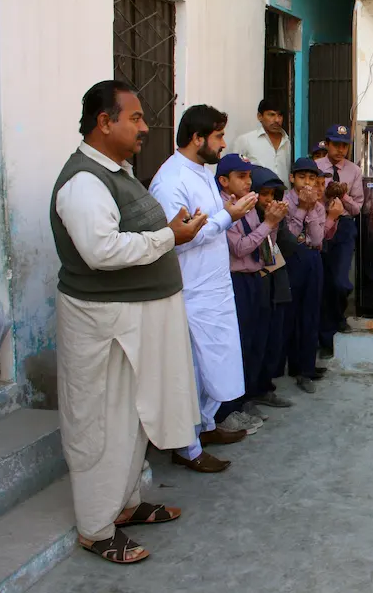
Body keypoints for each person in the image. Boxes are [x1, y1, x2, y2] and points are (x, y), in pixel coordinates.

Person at [52, 80, 207, 564]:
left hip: (131, 320)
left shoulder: (114, 171)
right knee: (103, 421)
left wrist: (170, 231)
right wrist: (168, 237)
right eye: (135, 118)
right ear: (104, 122)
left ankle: (124, 506)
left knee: (132, 418)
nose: (145, 127)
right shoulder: (83, 182)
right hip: (105, 325)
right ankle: (96, 527)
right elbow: (101, 252)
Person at [150, 104, 259, 474]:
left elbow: (207, 223)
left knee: (218, 364)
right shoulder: (171, 180)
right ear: (198, 139)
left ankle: (206, 426)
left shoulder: (202, 173)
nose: (223, 143)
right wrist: (229, 216)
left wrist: (229, 210)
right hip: (191, 290)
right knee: (192, 370)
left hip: (215, 286)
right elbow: (178, 239)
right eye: (218, 136)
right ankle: (187, 446)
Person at [216, 154, 289, 427]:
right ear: (224, 181)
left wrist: (273, 221)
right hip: (236, 280)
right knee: (242, 343)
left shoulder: (246, 205)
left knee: (260, 339)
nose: (248, 183)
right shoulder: (224, 208)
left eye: (249, 177)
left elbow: (265, 245)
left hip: (256, 276)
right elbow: (240, 248)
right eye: (241, 177)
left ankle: (253, 394)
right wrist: (268, 224)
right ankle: (233, 407)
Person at [282, 157, 343, 392]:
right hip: (291, 259)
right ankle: (291, 365)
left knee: (311, 311)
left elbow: (317, 239)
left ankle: (306, 368)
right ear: (292, 178)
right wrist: (301, 210)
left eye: (311, 178)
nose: (307, 182)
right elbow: (289, 236)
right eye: (301, 177)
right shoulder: (285, 202)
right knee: (291, 313)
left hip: (312, 257)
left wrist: (313, 209)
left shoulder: (318, 205)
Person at [248, 166, 298, 409]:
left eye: (272, 194)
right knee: (254, 339)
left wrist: (276, 224)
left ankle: (264, 387)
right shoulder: (246, 216)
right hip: (255, 283)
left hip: (275, 280)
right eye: (263, 193)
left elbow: (287, 246)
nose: (268, 200)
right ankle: (248, 394)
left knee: (272, 338)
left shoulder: (277, 216)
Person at [315, 124, 363, 353]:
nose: (341, 149)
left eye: (345, 145)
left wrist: (342, 195)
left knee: (340, 280)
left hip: (343, 226)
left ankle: (338, 315)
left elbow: (357, 209)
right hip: (320, 223)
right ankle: (326, 333)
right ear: (328, 144)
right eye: (336, 144)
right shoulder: (315, 167)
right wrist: (325, 195)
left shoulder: (354, 171)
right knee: (323, 280)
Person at [232, 99, 293, 184]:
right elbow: (234, 171)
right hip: (256, 195)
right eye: (271, 115)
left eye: (280, 115)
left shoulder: (287, 141)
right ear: (259, 116)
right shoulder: (245, 140)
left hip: (283, 196)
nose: (277, 120)